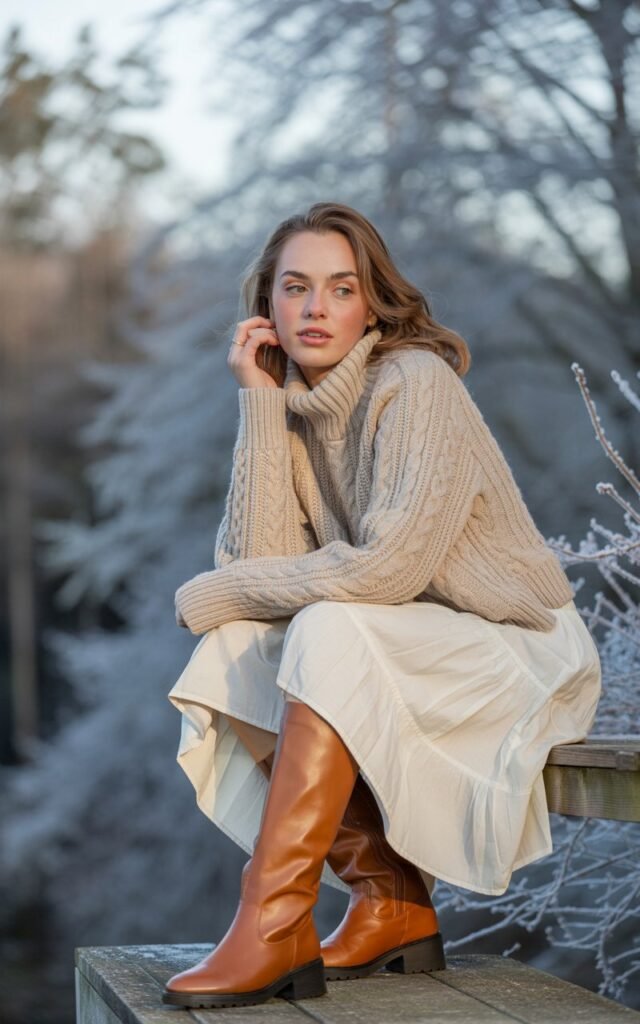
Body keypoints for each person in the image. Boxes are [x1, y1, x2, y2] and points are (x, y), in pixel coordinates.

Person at [163, 202, 602, 1009]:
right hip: (401, 640)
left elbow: (388, 570)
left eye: (340, 288)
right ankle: (388, 901)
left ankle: (273, 917)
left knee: (323, 622)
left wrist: (223, 590)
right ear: (267, 306)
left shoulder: (415, 384)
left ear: (372, 304)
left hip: (515, 647)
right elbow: (259, 576)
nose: (316, 309)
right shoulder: (288, 405)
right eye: (296, 288)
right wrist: (259, 403)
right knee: (235, 649)